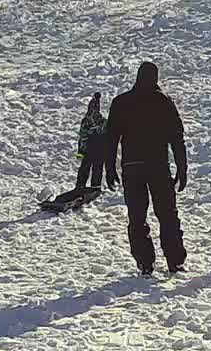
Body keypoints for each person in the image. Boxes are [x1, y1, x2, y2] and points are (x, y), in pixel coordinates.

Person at [105, 60, 187, 275]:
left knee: (137, 216)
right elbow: (177, 137)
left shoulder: (121, 102)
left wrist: (110, 167)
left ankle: (145, 263)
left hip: (132, 167)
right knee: (168, 214)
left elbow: (111, 137)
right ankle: (175, 261)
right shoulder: (164, 102)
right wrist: (182, 167)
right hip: (158, 166)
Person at [76, 93, 109, 191]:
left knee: (96, 167)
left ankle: (95, 186)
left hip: (99, 147)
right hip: (91, 148)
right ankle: (80, 185)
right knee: (86, 167)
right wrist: (80, 152)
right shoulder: (87, 121)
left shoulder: (102, 121)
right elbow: (82, 137)